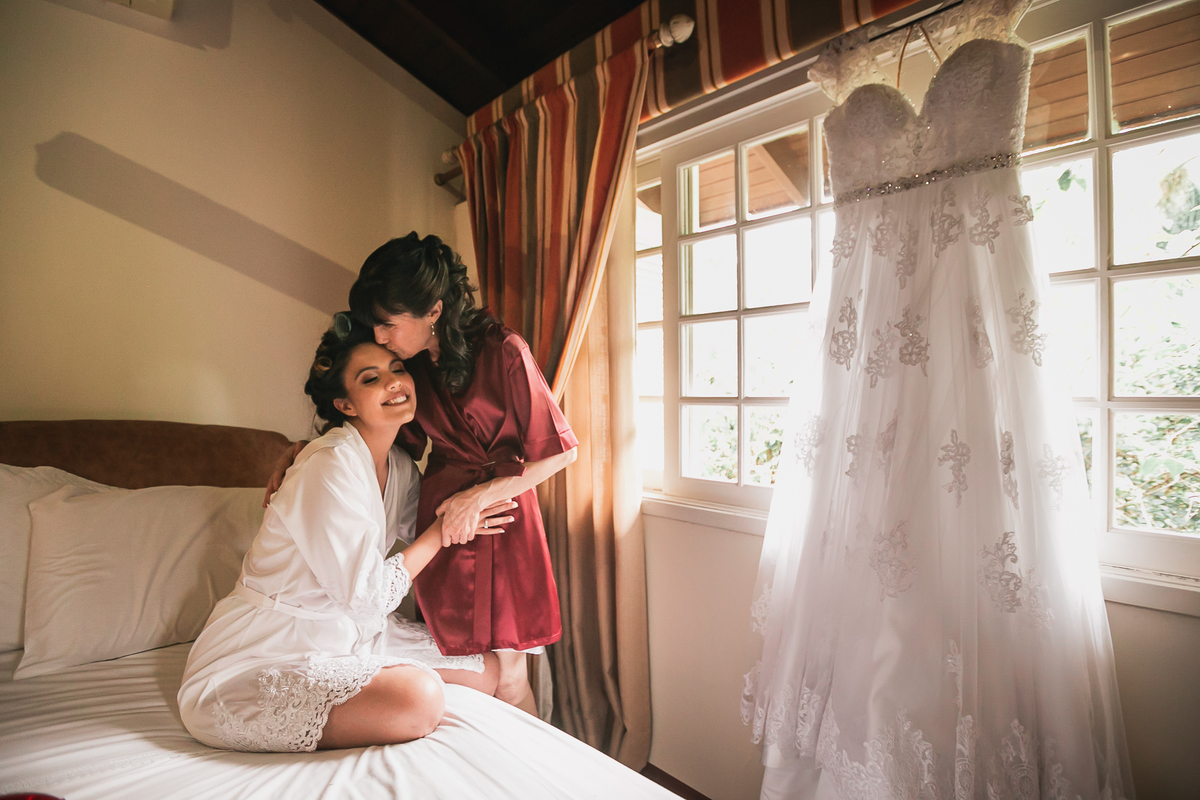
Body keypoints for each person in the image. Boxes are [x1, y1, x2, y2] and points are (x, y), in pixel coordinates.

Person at [267, 233, 578, 715]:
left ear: (433, 311)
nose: (380, 337)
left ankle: (528, 763)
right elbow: (386, 440)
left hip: (498, 516)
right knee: (460, 660)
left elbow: (561, 452)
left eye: (388, 324)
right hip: (440, 520)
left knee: (511, 674)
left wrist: (480, 497)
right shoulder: (412, 368)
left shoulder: (503, 350)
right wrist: (310, 448)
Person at [179, 314, 515, 752]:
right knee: (420, 698)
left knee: (485, 670)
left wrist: (483, 497)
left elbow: (422, 528)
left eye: (397, 369)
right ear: (346, 405)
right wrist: (442, 530)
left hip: (350, 635)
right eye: (370, 378)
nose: (393, 382)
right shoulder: (328, 464)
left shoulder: (398, 466)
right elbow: (371, 596)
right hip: (268, 648)